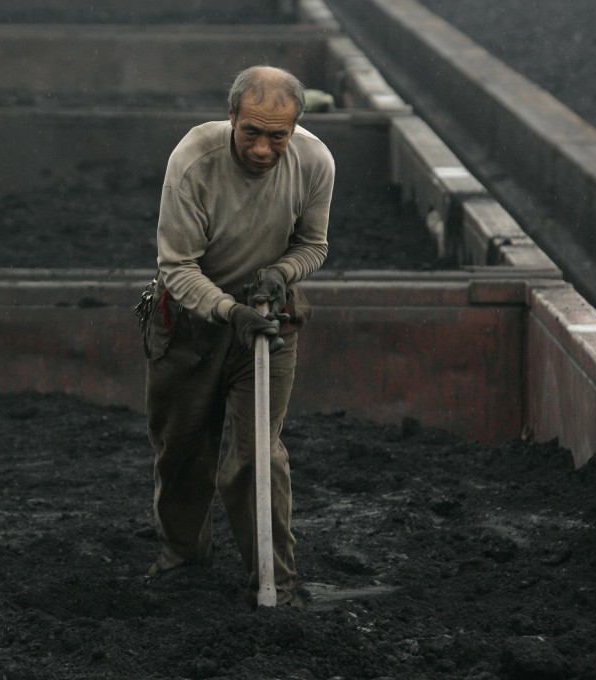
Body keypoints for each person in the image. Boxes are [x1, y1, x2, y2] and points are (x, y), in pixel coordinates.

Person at [141, 65, 335, 608]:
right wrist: (228, 311)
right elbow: (176, 266)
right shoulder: (194, 161)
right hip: (188, 325)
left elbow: (314, 244)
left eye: (278, 135)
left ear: (295, 128)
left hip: (267, 323)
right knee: (181, 449)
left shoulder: (314, 162)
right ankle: (181, 559)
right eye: (251, 131)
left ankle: (276, 583)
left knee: (258, 456)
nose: (263, 148)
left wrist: (281, 274)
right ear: (231, 117)